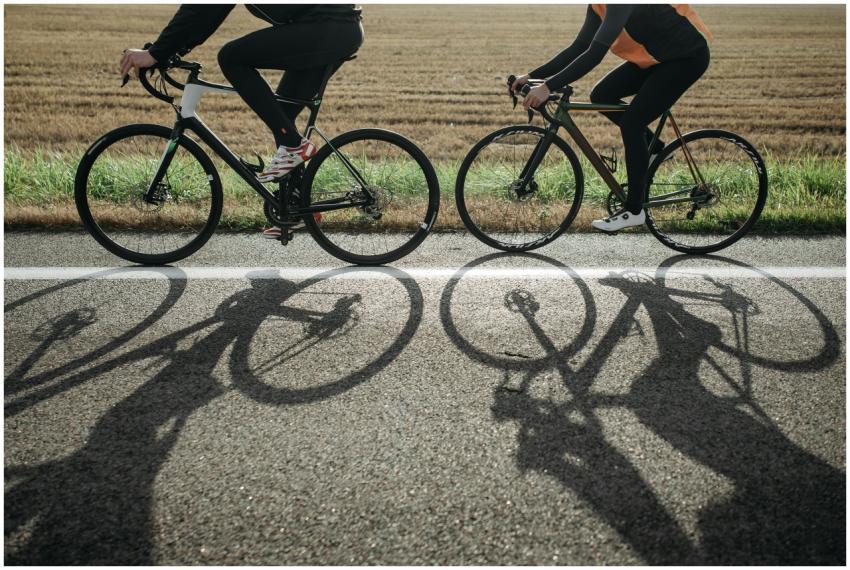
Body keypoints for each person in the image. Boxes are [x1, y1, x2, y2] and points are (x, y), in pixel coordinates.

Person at [512, 4, 712, 232]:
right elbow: (579, 46)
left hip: (685, 58)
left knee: (632, 123)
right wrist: (532, 76)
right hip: (657, 57)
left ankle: (634, 210)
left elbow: (595, 54)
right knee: (602, 95)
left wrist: (548, 87)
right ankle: (654, 148)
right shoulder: (598, 6)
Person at [119, 5, 363, 185]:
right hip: (332, 26)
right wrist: (168, 51)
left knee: (231, 57)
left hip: (328, 26)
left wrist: (158, 53)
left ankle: (292, 144)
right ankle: (297, 209)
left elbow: (203, 9)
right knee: (281, 113)